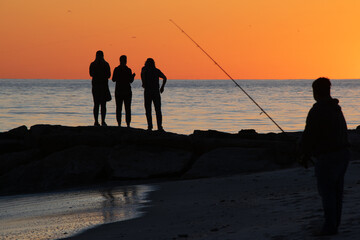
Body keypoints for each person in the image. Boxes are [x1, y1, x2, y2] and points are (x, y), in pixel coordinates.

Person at [299, 77, 350, 236]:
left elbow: (309, 136)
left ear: (315, 92)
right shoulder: (336, 108)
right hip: (343, 155)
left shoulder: (318, 110)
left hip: (328, 158)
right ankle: (334, 224)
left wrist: (303, 151)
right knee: (336, 192)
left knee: (327, 193)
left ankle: (330, 226)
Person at [141, 58, 167, 131]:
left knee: (148, 109)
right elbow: (164, 78)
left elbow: (142, 74)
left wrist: (143, 83)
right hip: (156, 92)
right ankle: (159, 127)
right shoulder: (156, 71)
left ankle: (150, 127)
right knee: (158, 110)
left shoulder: (144, 69)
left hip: (148, 91)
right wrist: (162, 87)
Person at [112, 55, 136, 127]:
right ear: (125, 61)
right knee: (127, 108)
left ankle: (119, 124)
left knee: (119, 108)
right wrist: (133, 76)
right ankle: (128, 124)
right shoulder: (128, 70)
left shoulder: (116, 69)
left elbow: (113, 79)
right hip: (126, 91)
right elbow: (130, 81)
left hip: (119, 91)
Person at [89, 50, 111, 126]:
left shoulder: (93, 64)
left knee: (97, 104)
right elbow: (108, 75)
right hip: (102, 86)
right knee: (102, 105)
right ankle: (102, 121)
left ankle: (97, 121)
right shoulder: (105, 64)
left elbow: (91, 74)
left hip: (96, 87)